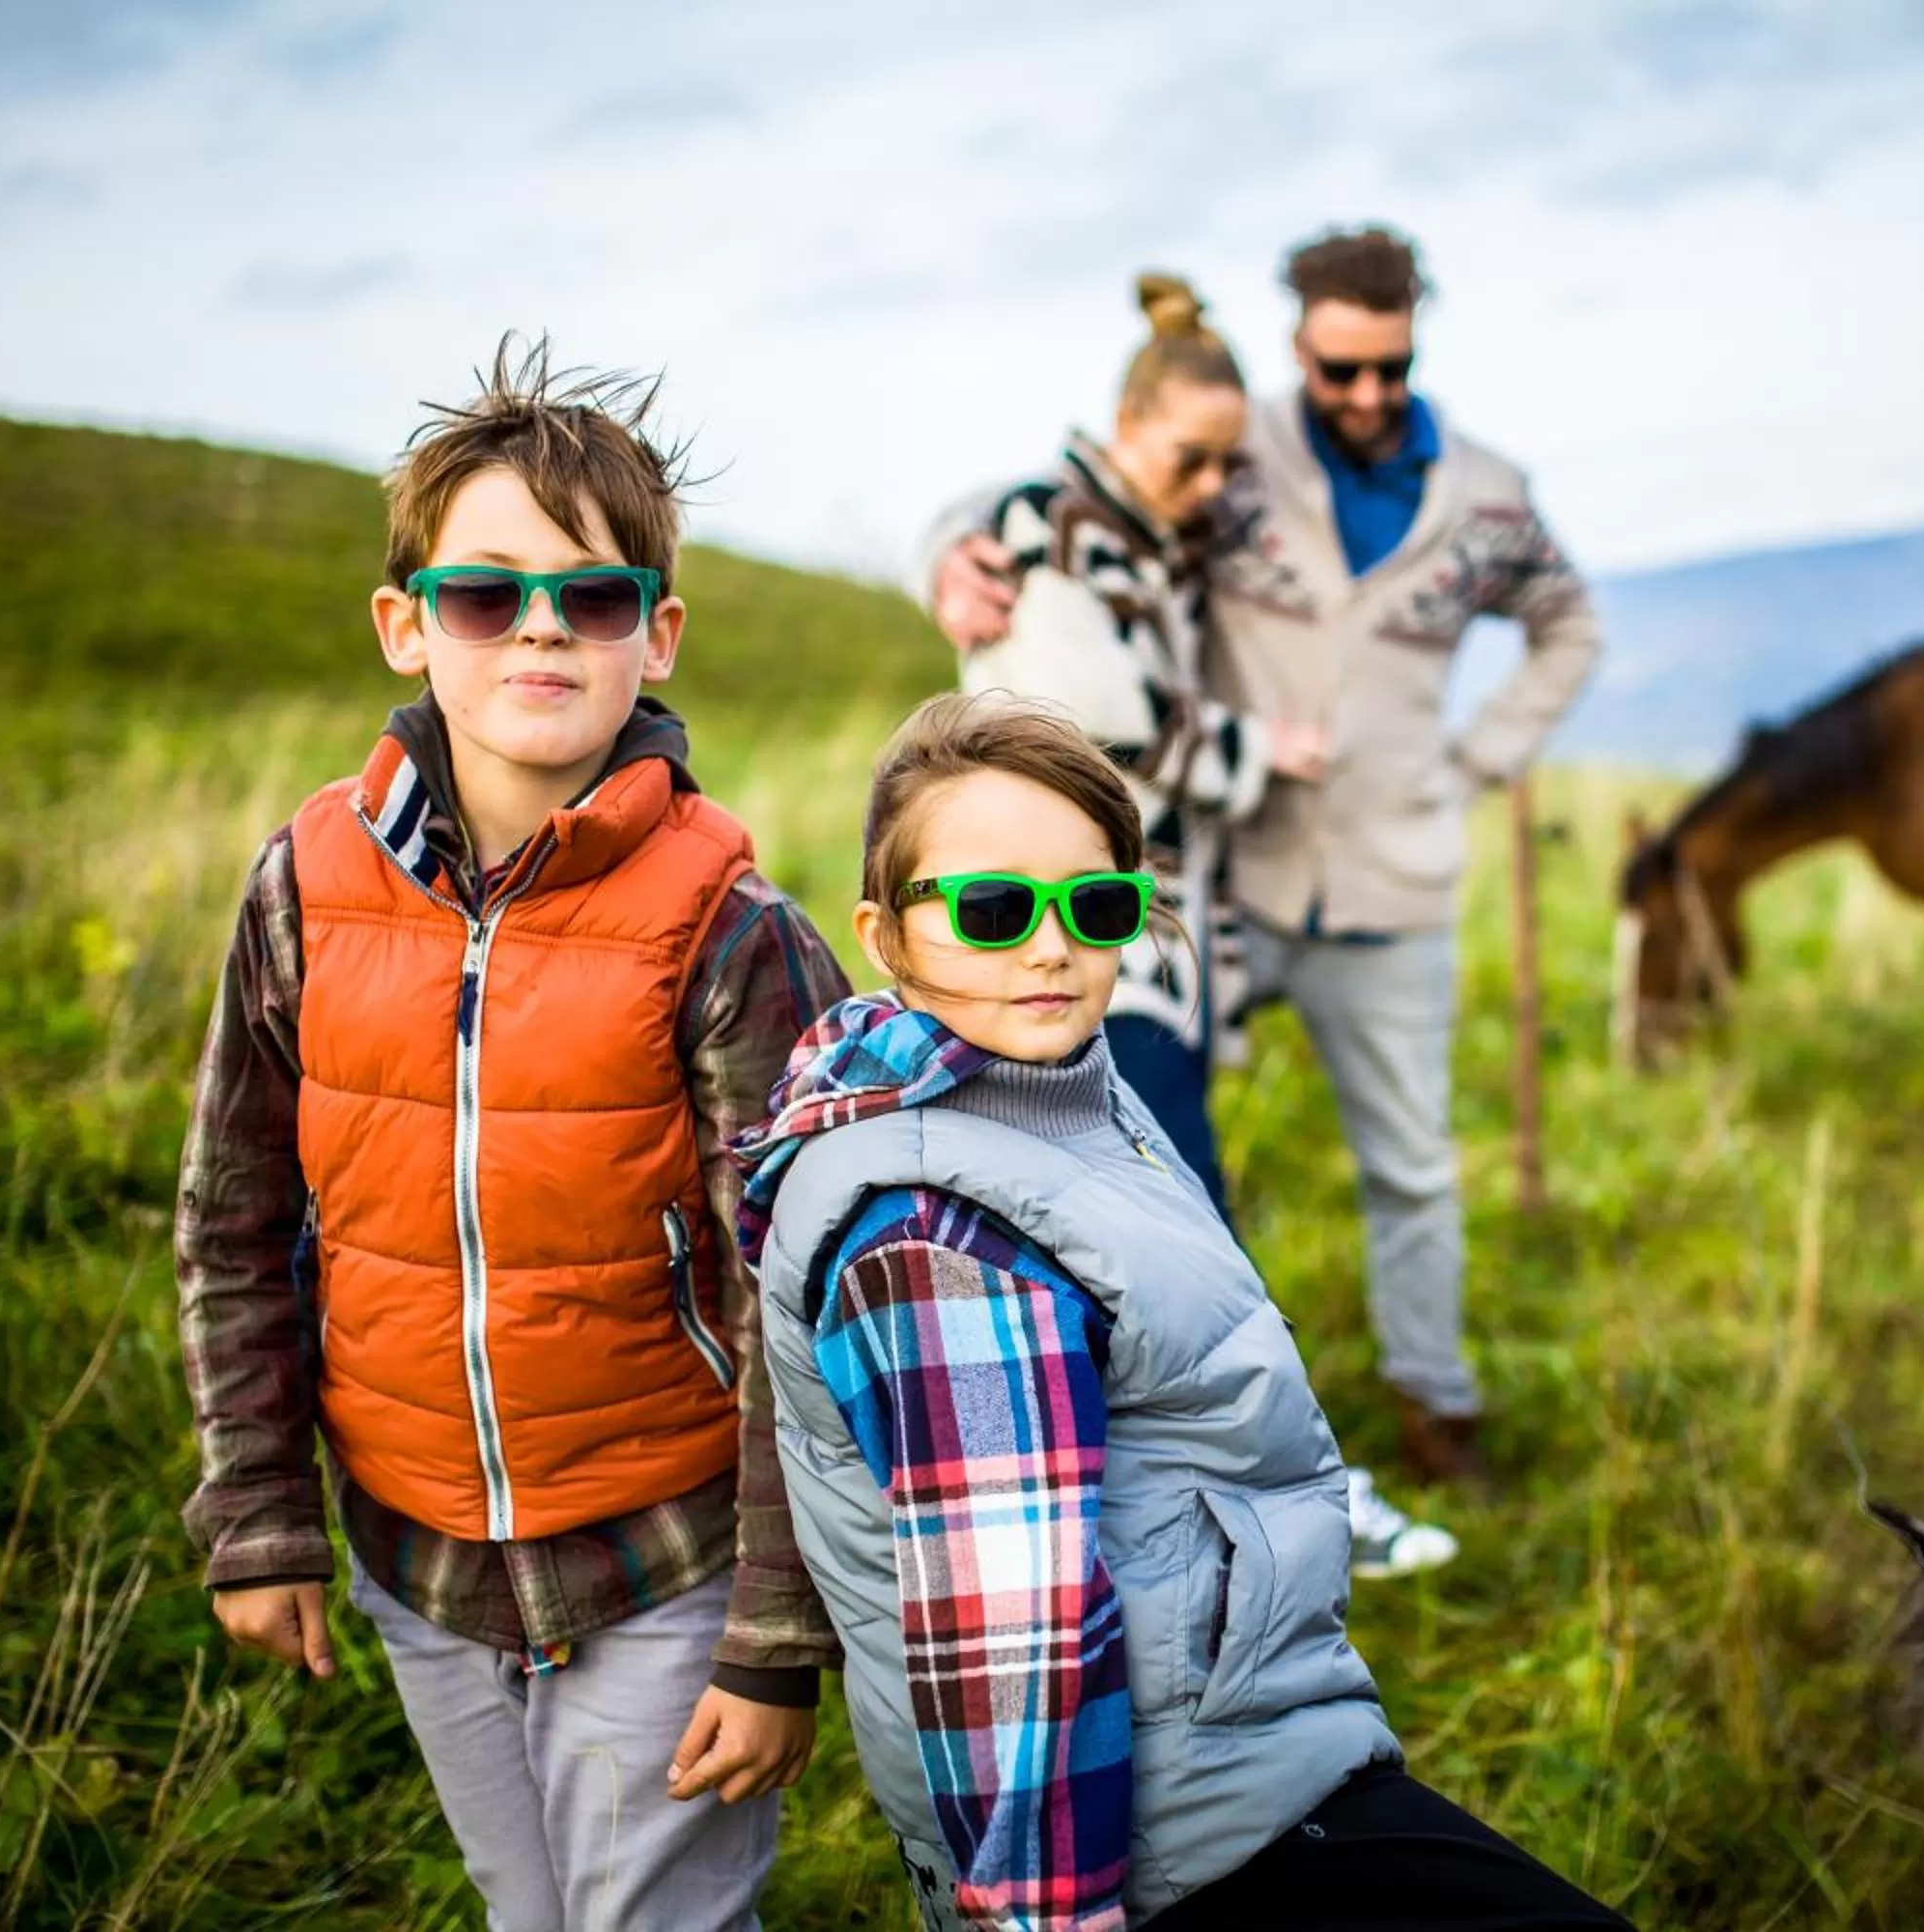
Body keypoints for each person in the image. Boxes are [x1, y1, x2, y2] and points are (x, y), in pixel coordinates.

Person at [731, 693, 1633, 1931]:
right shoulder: (935, 1236)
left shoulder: (1055, 1091)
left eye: (1095, 905)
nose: (1050, 948)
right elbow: (1013, 1647)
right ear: (884, 936)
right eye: (993, 909)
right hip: (1172, 1851)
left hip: (1246, 1760)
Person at [173, 337, 844, 1932]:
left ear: (655, 630)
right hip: (417, 1557)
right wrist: (258, 1511)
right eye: (489, 592)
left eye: (594, 595)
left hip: (668, 1559)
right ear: (407, 623)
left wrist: (775, 1628)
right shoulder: (306, 887)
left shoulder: (729, 927)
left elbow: (806, 1305)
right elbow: (234, 1214)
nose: (544, 625)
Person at [924, 226, 1600, 1492]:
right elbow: (1056, 500)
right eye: (1339, 370)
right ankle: (1187, 1435)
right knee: (1156, 1157)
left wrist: (1478, 760)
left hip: (1392, 882)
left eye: (1389, 370)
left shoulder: (1493, 498)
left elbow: (1569, 622)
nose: (1365, 397)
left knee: (1410, 1164)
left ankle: (1431, 1412)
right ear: (1301, 349)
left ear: (1414, 349)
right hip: (1216, 890)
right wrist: (941, 554)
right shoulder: (1242, 457)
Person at [952, 269, 1455, 1581]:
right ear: (1128, 426)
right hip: (1085, 942)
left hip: (1129, 937)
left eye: (1230, 462)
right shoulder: (1057, 533)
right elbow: (1094, 731)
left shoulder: (1144, 527)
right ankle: (1298, 1498)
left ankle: (1157, 1515)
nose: (1213, 486)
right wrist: (1257, 747)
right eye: (1193, 458)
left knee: (1130, 1230)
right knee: (1186, 1229)